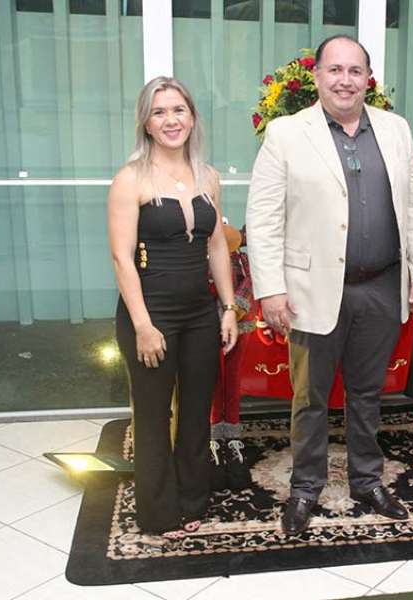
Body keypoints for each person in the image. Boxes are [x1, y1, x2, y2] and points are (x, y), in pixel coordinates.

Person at [246, 34, 413, 536]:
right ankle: (305, 489)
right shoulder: (287, 133)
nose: (345, 80)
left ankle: (367, 481)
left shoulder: (395, 130)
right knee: (309, 397)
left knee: (367, 394)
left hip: (381, 286)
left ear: (367, 79)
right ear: (316, 76)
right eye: (335, 70)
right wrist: (270, 289)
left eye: (355, 71)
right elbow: (263, 219)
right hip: (310, 291)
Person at [108, 76, 239, 538]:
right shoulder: (130, 179)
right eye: (159, 112)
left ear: (192, 117)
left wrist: (229, 307)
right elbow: (122, 257)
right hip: (151, 314)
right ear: (146, 122)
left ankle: (192, 498)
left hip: (200, 313)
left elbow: (217, 246)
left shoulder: (208, 176)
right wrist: (143, 325)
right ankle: (159, 512)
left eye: (178, 110)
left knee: (197, 412)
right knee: (153, 416)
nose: (170, 120)